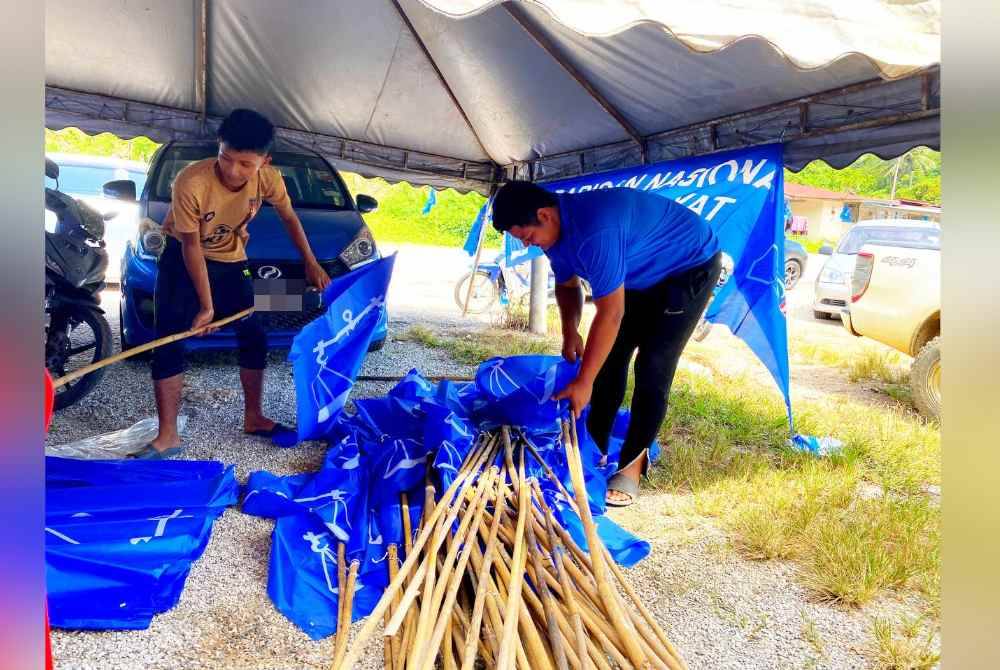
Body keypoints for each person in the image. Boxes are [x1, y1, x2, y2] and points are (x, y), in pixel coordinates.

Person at [492, 181, 721, 506]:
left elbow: (611, 314)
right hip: (642, 271)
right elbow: (568, 286)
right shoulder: (554, 236)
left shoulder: (594, 230)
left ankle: (632, 465)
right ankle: (593, 445)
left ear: (544, 214)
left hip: (689, 265)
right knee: (611, 358)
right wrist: (570, 331)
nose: (530, 245)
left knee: (654, 363)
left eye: (528, 237)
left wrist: (584, 382)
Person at [134, 108, 332, 459]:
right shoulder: (190, 182)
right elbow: (192, 247)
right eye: (226, 158)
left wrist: (311, 263)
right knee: (169, 339)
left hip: (231, 260)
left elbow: (290, 218)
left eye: (245, 164)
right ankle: (167, 436)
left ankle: (254, 417)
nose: (233, 170)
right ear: (218, 147)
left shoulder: (269, 180)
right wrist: (207, 308)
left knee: (253, 333)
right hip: (182, 259)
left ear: (264, 161)